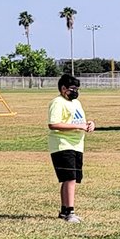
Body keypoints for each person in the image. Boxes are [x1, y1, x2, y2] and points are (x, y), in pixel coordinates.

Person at [47, 74, 96, 224]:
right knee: (70, 178)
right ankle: (70, 212)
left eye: (77, 88)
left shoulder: (76, 103)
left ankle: (64, 210)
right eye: (72, 88)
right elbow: (53, 124)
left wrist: (89, 124)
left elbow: (78, 120)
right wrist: (78, 126)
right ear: (63, 89)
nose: (75, 91)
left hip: (77, 145)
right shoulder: (57, 102)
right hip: (62, 145)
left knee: (70, 179)